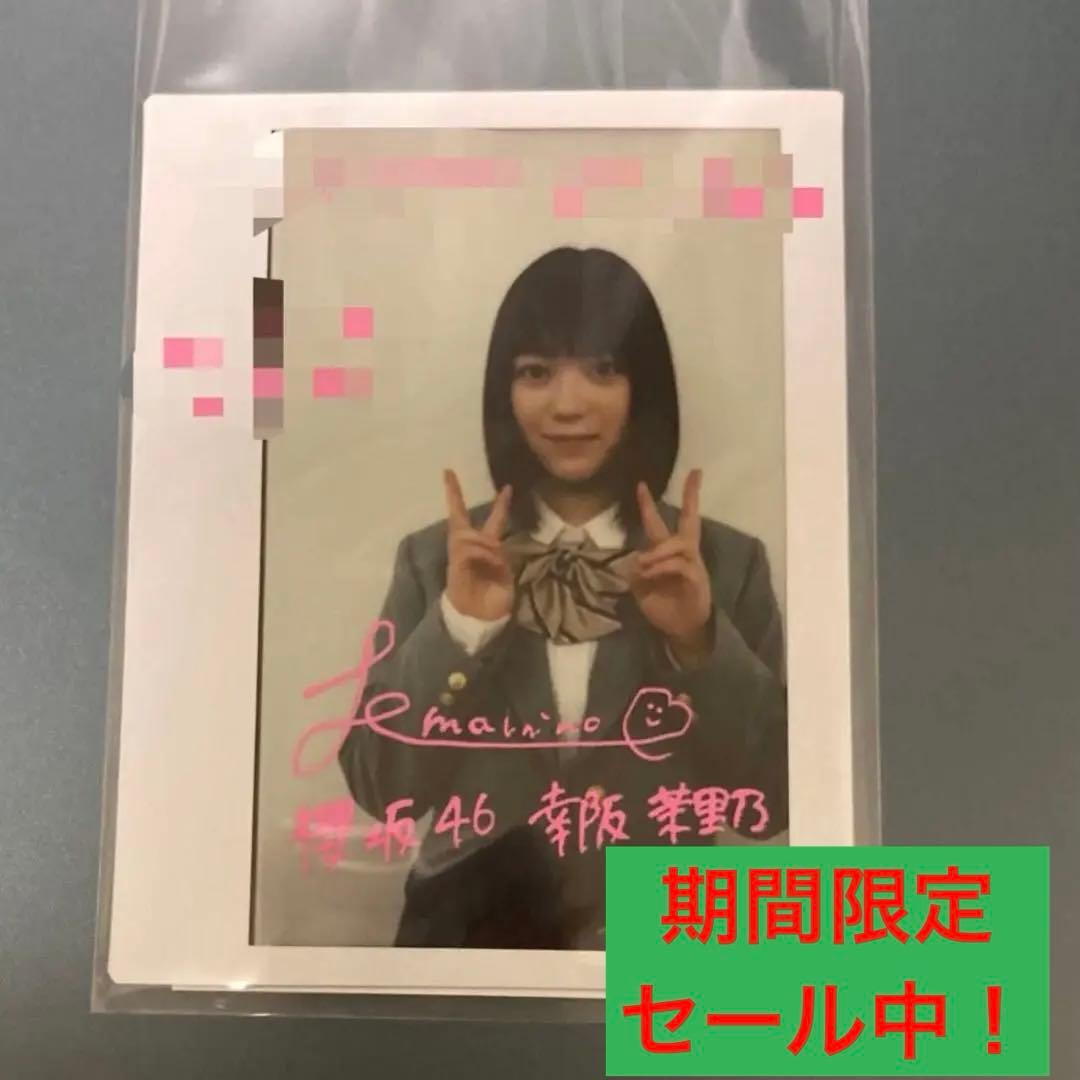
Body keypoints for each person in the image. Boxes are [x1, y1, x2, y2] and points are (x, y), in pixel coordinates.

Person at [338, 246, 787, 949]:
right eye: (536, 372)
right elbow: (382, 791)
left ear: (644, 388)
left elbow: (772, 803)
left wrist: (700, 642)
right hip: (468, 941)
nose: (568, 405)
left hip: (665, 948)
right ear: (504, 393)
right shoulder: (435, 560)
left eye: (603, 369)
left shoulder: (726, 565)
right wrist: (459, 627)